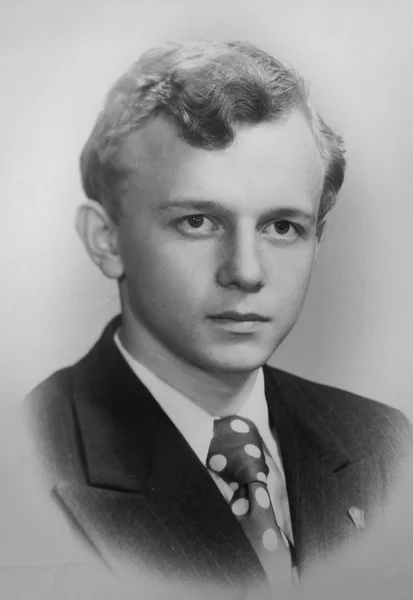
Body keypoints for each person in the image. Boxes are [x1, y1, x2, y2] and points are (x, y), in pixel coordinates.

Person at [26, 40, 412, 597]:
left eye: (282, 227)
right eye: (199, 221)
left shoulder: (385, 444)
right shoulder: (27, 468)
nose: (247, 272)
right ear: (106, 240)